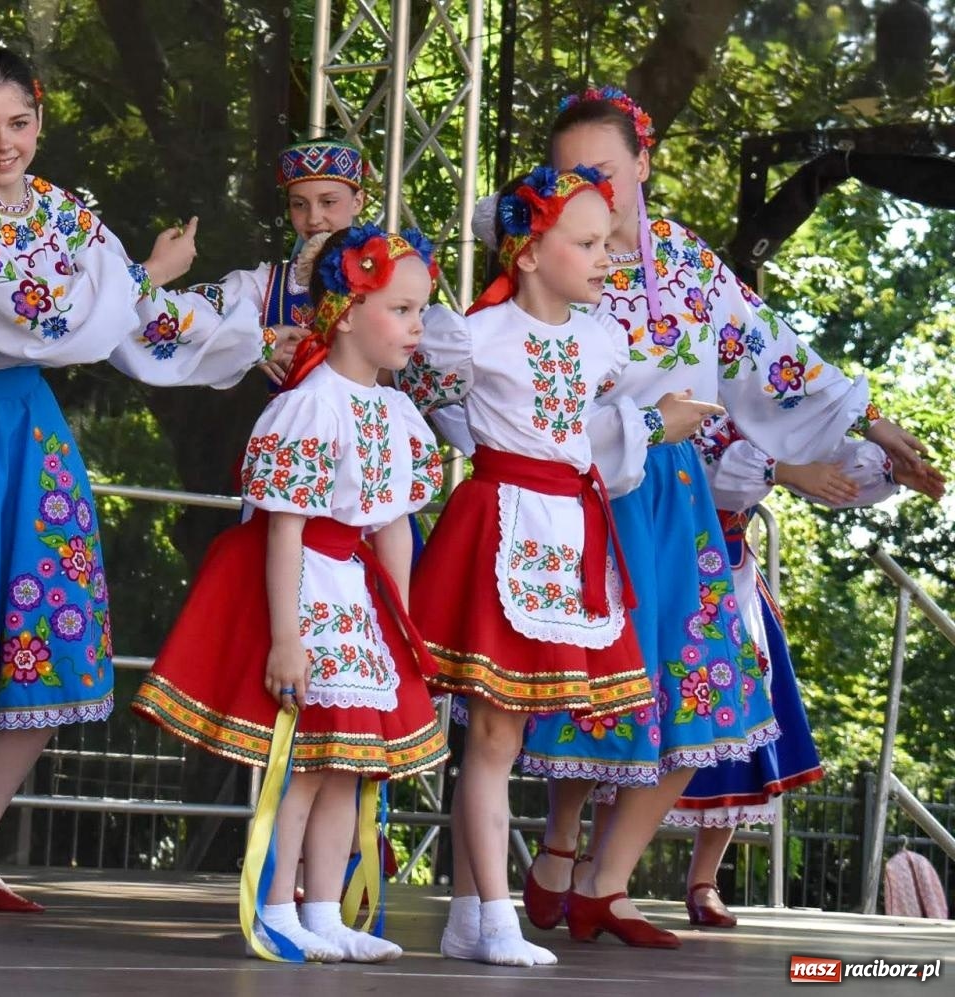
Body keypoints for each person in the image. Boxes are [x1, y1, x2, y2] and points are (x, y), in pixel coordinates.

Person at [0, 46, 285, 912]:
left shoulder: (67, 213)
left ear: (40, 117)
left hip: (26, 432)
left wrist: (249, 336)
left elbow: (135, 320)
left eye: (20, 123)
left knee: (51, 632)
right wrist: (146, 272)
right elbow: (53, 322)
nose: (5, 144)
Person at [517, 84, 939, 948]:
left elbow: (773, 356)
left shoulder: (687, 263)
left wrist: (872, 422)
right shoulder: (548, 257)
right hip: (586, 497)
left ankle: (606, 881)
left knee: (709, 687)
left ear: (644, 163)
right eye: (569, 174)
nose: (589, 188)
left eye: (604, 169)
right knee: (596, 685)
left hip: (679, 504)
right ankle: (559, 843)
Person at [399, 167, 704, 965]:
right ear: (530, 253)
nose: (606, 257)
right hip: (499, 526)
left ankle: (470, 915)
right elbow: (422, 396)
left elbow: (583, 438)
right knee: (493, 733)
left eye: (607, 242)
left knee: (504, 733)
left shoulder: (601, 340)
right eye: (588, 242)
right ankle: (493, 916)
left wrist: (650, 424)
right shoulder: (475, 333)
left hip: (567, 536)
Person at [132, 225, 449, 962]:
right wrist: (286, 637)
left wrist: (401, 625)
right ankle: (278, 906)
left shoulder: (396, 413)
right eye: (401, 309)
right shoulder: (312, 404)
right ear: (347, 311)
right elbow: (284, 528)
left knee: (349, 762)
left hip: (358, 598)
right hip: (309, 588)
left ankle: (326, 911)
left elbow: (392, 528)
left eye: (420, 310)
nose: (417, 326)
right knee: (306, 760)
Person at [667, 417, 941, 926]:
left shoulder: (766, 402)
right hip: (658, 565)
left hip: (729, 576)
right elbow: (713, 469)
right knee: (639, 715)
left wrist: (887, 469)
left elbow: (820, 456)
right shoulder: (678, 390)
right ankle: (593, 869)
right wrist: (782, 469)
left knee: (744, 727)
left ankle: (703, 878)